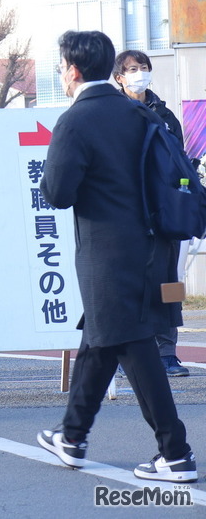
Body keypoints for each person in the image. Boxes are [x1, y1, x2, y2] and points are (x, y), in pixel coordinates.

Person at [37, 30, 195, 483]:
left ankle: (175, 453)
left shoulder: (76, 120)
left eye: (62, 67)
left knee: (132, 343)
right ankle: (72, 435)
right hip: (155, 245)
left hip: (108, 252)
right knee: (100, 336)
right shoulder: (139, 112)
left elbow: (58, 193)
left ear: (72, 70)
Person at [115, 49, 191, 378]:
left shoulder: (165, 114)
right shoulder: (112, 113)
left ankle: (168, 353)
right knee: (129, 285)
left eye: (143, 67)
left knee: (170, 283)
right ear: (119, 78)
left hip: (165, 213)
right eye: (131, 69)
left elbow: (181, 162)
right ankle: (132, 356)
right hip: (126, 213)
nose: (139, 73)